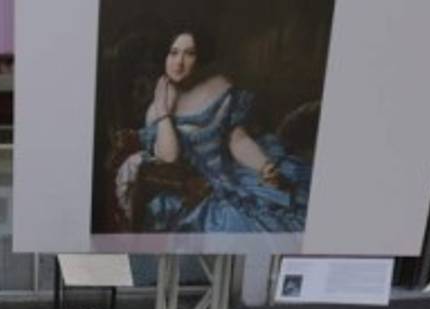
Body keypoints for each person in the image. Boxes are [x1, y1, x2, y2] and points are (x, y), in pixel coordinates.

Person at [115, 28, 312, 233]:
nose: (179, 62)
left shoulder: (219, 86)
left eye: (189, 53)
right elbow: (169, 157)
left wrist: (263, 166)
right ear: (164, 56)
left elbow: (237, 140)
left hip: (233, 174)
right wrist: (164, 113)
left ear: (200, 57)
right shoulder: (156, 108)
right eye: (173, 53)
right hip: (196, 190)